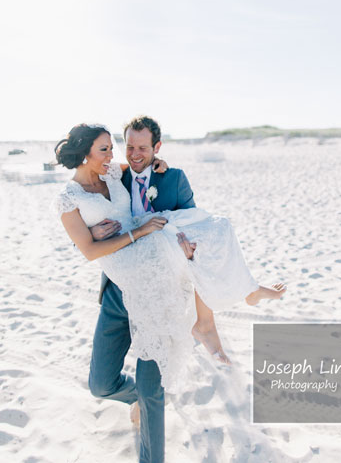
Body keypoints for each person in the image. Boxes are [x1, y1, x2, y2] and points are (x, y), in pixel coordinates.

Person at [55, 117, 286, 463]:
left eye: (134, 149)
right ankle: (138, 398)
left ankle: (241, 295)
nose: (122, 155)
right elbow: (86, 247)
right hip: (117, 291)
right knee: (100, 385)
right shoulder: (72, 194)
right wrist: (125, 233)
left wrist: (156, 166)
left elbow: (164, 194)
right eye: (111, 148)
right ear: (86, 153)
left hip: (158, 291)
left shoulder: (123, 173)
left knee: (153, 391)